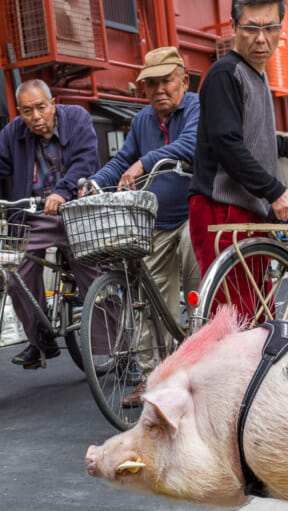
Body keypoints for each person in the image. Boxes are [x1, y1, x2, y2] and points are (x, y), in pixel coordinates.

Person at [0, 80, 101, 368]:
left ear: (53, 102)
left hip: (77, 212)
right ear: (19, 112)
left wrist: (63, 190)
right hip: (34, 215)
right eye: (27, 111)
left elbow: (86, 159)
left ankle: (118, 350)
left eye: (41, 107)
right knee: (17, 271)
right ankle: (40, 341)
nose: (36, 117)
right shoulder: (16, 132)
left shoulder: (78, 118)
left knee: (94, 276)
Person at [188, 0, 288, 320]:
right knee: (234, 321)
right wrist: (275, 190)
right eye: (250, 27)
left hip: (245, 208)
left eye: (270, 27)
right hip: (221, 208)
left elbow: (250, 137)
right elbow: (227, 144)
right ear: (233, 28)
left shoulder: (256, 75)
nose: (261, 38)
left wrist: (287, 145)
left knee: (258, 314)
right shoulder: (225, 74)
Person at [84, 46, 200, 406]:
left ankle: (203, 372)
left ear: (183, 79)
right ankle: (155, 378)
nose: (158, 89)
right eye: (150, 84)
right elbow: (122, 159)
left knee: (200, 293)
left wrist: (145, 162)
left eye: (166, 80)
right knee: (151, 302)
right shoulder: (141, 121)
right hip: (156, 219)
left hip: (194, 213)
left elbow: (191, 144)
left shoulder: (197, 106)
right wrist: (96, 182)